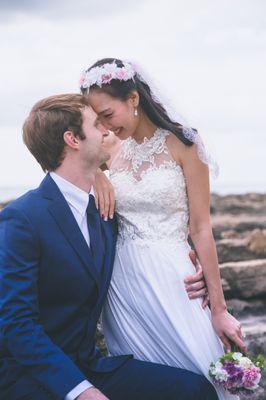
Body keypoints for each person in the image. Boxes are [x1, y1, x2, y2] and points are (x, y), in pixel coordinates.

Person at [0, 93, 218, 400]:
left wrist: (195, 271)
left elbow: (142, 247)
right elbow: (17, 325)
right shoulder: (22, 218)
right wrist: (79, 391)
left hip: (89, 365)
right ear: (72, 139)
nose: (106, 130)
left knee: (195, 390)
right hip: (32, 378)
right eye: (95, 124)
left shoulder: (105, 215)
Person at [80, 58, 246, 400]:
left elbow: (201, 228)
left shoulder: (185, 143)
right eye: (97, 120)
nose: (105, 127)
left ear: (133, 99)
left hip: (175, 278)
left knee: (199, 371)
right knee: (146, 382)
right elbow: (61, 144)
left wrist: (219, 308)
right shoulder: (109, 149)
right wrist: (97, 172)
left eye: (107, 115)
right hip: (122, 287)